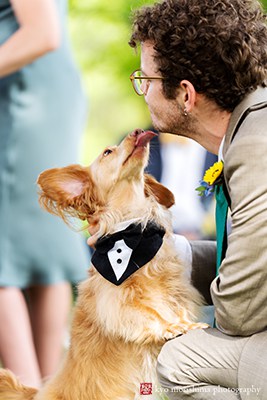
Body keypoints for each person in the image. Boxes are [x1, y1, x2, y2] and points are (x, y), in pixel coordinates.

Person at [127, 0, 267, 398]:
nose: (143, 91)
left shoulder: (257, 145)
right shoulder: (249, 128)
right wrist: (160, 253)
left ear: (185, 94)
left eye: (146, 79)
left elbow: (240, 312)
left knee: (178, 359)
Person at [0, 0, 89, 387]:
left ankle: (27, 389)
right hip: (39, 91)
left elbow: (42, 33)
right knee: (41, 246)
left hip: (22, 95)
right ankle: (48, 388)